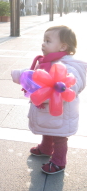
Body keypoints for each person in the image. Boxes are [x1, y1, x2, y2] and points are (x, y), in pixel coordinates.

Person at [11, 25, 87, 174]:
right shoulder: (47, 62)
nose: (43, 44)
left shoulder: (68, 66)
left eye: (48, 41)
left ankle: (59, 162)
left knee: (59, 137)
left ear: (63, 46)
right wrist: (20, 75)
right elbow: (35, 75)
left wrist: (59, 88)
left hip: (62, 112)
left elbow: (72, 85)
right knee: (47, 128)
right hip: (48, 110)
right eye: (43, 40)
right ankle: (46, 148)